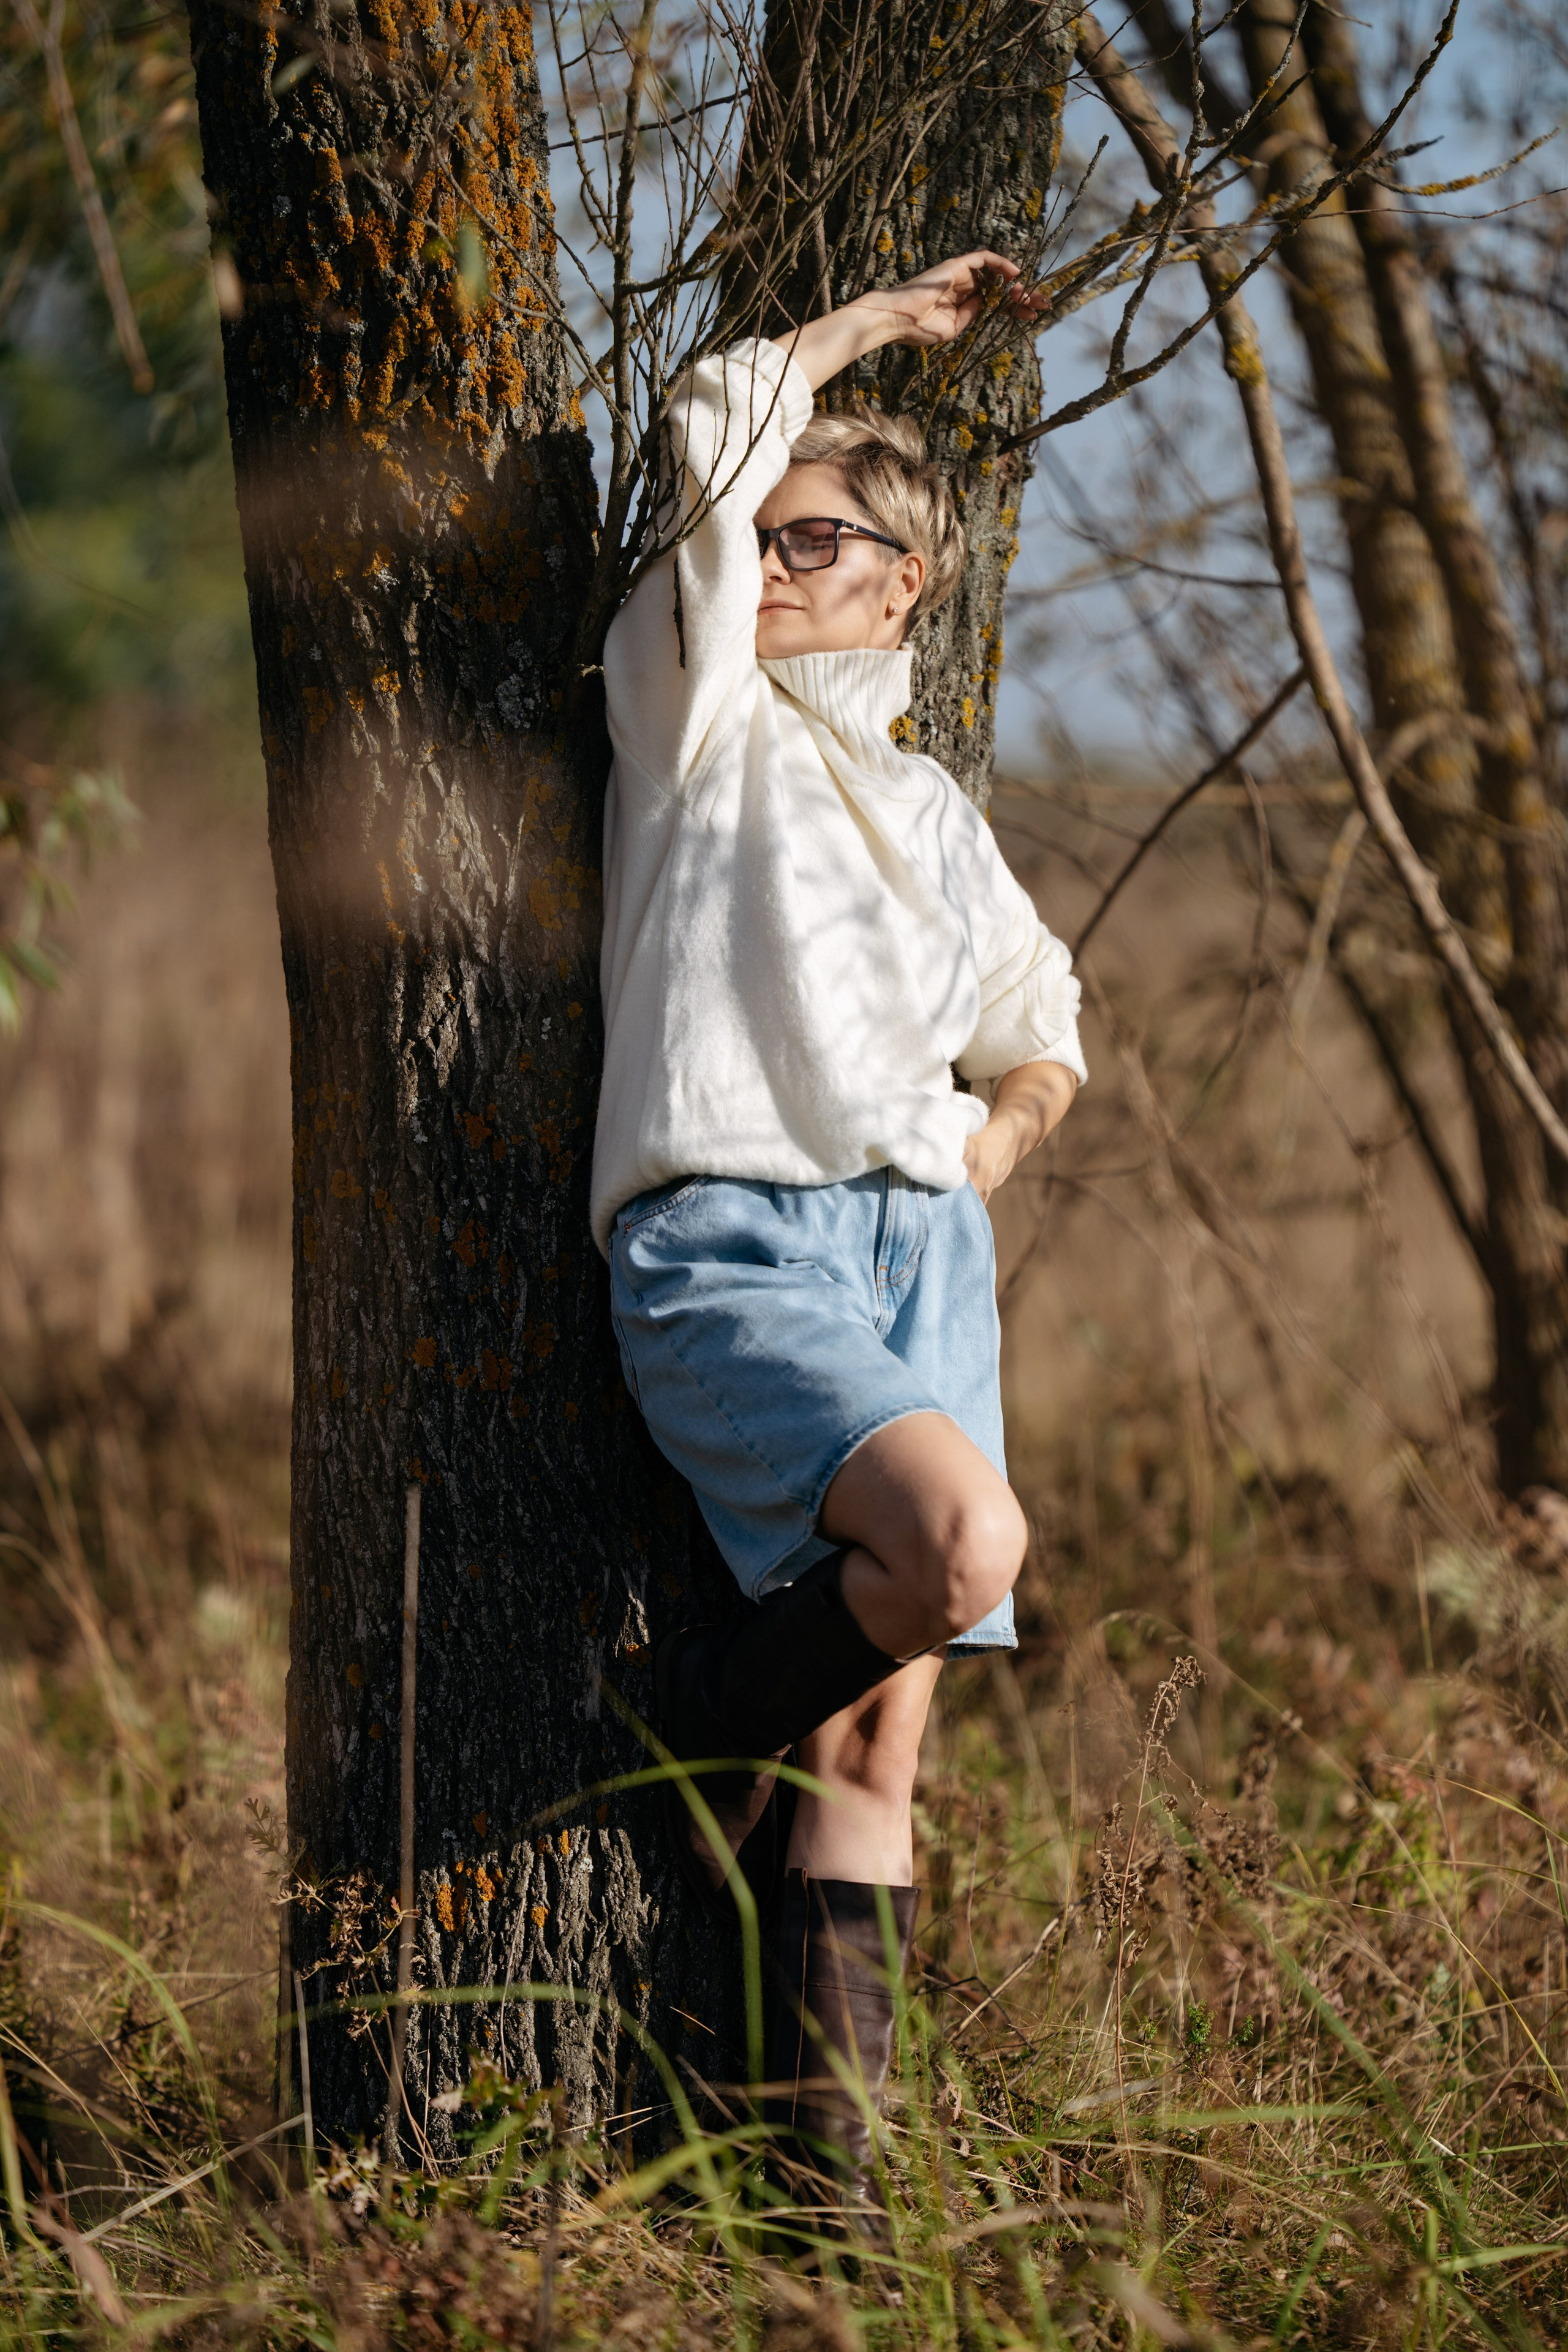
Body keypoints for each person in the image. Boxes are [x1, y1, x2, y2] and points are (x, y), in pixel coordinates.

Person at [590, 252, 1084, 2226]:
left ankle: (823, 2246)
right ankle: (652, 1737)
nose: (777, 556)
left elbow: (1042, 1017)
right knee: (963, 1544)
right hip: (731, 1243)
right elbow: (711, 436)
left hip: (919, 1261)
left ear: (905, 582)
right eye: (772, 534)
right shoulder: (693, 713)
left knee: (875, 1758)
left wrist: (993, 1145)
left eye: (822, 539)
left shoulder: (934, 809)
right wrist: (874, 328)